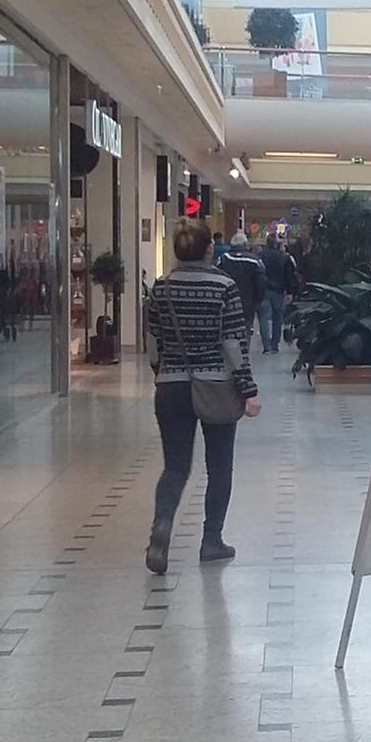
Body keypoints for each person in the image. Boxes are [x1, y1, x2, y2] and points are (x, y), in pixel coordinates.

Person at [144, 220, 259, 574]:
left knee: (176, 466)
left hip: (171, 387)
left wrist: (162, 373)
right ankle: (212, 540)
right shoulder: (223, 287)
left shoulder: (160, 289)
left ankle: (161, 527)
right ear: (210, 249)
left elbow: (152, 342)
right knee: (219, 466)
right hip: (217, 387)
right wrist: (248, 389)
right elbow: (233, 344)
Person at [257, 236, 296, 354]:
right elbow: (289, 276)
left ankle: (266, 346)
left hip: (263, 290)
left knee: (263, 318)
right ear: (277, 244)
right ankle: (275, 344)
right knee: (277, 318)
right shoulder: (284, 257)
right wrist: (290, 292)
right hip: (279, 291)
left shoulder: (260, 257)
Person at [220, 233, 266, 329]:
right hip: (248, 302)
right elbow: (261, 282)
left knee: (229, 328)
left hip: (228, 301)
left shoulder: (223, 259)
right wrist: (258, 300)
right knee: (246, 328)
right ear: (246, 244)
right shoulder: (255, 260)